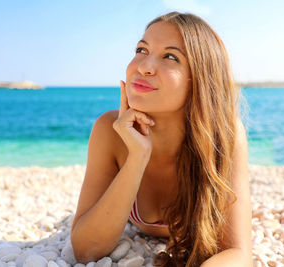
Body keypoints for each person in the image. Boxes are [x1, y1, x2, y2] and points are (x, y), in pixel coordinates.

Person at [71, 11, 252, 267]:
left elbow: (238, 253)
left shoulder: (223, 136)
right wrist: (137, 156)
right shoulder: (110, 131)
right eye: (141, 50)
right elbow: (84, 251)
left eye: (170, 56)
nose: (143, 66)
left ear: (199, 79)